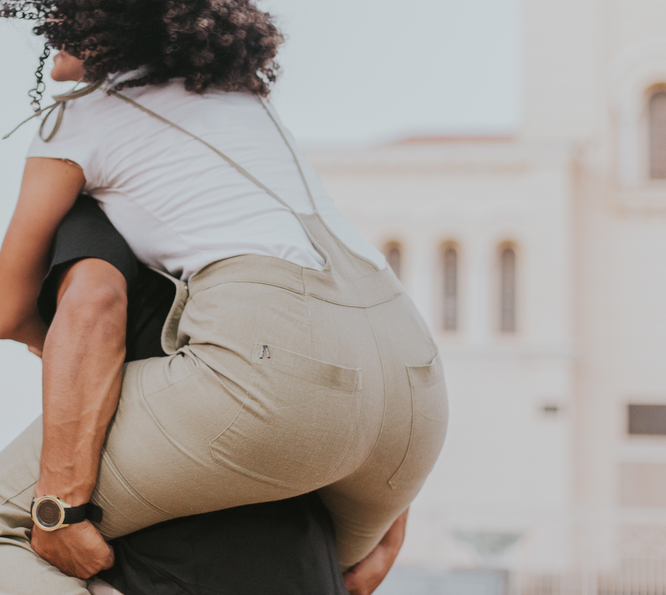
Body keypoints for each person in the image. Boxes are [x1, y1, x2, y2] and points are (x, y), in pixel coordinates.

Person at [0, 0, 447, 595]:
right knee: (332, 574)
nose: (50, 24)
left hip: (277, 378)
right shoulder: (248, 102)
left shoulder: (80, 117)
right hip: (412, 386)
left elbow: (9, 312)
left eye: (64, 5)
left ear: (109, 18)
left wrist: (75, 393)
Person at [30, 195, 409, 595]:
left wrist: (59, 512)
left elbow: (91, 302)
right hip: (309, 562)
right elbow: (371, 353)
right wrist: (390, 520)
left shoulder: (110, 208)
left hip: (171, 568)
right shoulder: (272, 213)